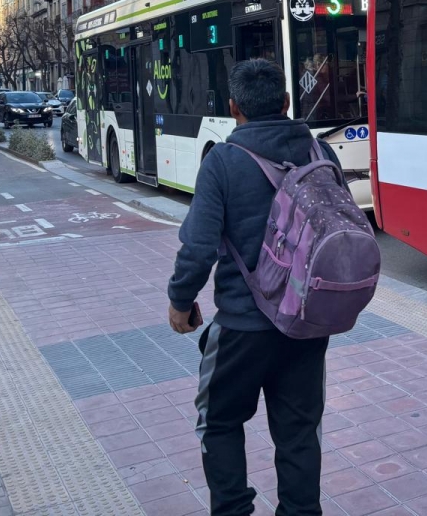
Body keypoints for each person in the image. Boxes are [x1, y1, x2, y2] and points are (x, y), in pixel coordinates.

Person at [167, 58, 342, 516]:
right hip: (306, 325)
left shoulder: (223, 160)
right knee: (301, 431)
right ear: (286, 103)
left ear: (233, 108)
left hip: (243, 326)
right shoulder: (321, 153)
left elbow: (198, 246)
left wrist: (180, 300)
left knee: (220, 422)